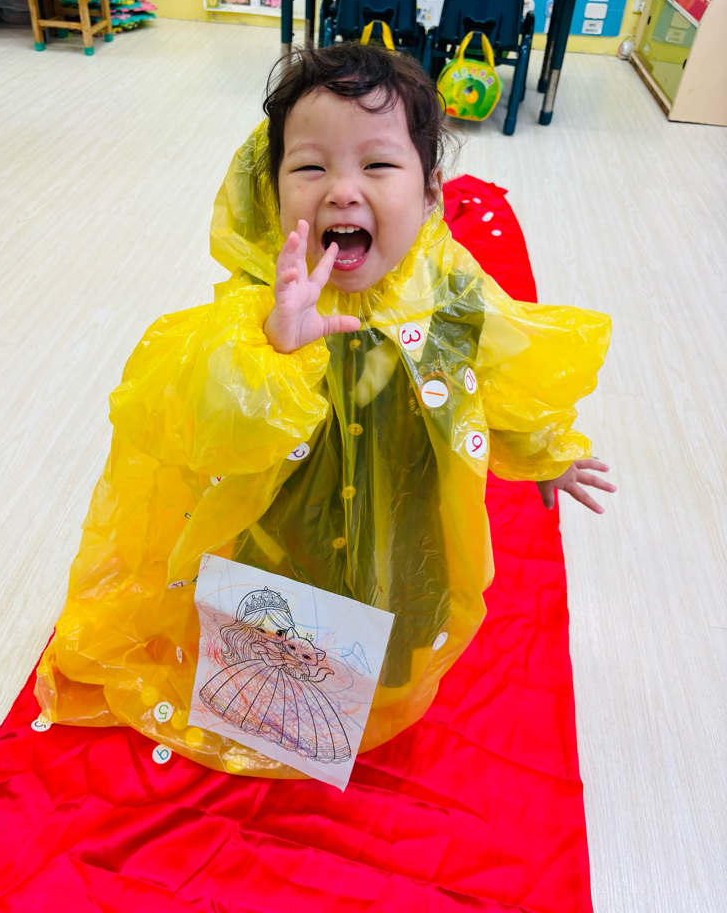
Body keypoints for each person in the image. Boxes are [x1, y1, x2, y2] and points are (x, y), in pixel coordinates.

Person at [36, 43, 615, 778]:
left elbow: (503, 363)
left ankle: (375, 691)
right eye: (310, 168)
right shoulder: (259, 302)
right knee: (277, 620)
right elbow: (203, 413)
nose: (343, 191)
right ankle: (274, 708)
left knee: (402, 614)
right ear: (269, 192)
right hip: (284, 525)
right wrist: (278, 344)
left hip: (410, 516)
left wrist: (546, 450)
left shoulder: (450, 285)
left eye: (378, 165)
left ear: (429, 193)